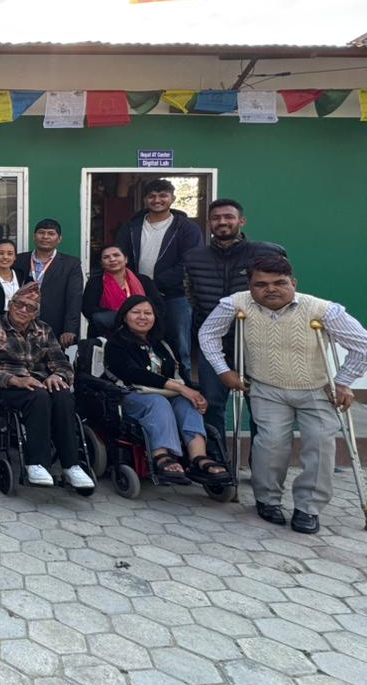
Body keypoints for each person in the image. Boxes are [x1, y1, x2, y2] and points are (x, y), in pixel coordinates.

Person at [199, 256, 367, 534]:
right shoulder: (236, 303)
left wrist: (343, 382)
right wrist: (223, 370)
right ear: (251, 286)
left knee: (320, 445)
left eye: (279, 283)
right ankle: (267, 500)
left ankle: (308, 508)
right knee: (270, 444)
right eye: (261, 284)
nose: (270, 289)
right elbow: (208, 334)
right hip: (266, 388)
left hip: (316, 389)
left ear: (293, 283)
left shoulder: (322, 309)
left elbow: (362, 345)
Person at [0, 283, 94, 489]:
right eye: (19, 304)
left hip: (42, 382)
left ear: (35, 313)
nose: (23, 310)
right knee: (39, 397)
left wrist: (57, 376)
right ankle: (36, 463)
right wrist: (14, 380)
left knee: (63, 394)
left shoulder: (44, 329)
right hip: (9, 386)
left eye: (30, 308)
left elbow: (62, 363)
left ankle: (71, 465)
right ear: (10, 305)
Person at [183, 199, 286, 442]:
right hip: (213, 344)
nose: (222, 222)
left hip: (256, 342)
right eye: (216, 218)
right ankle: (217, 464)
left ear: (241, 221)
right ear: (208, 223)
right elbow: (190, 297)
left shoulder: (267, 252)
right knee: (212, 404)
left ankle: (261, 465)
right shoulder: (194, 257)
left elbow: (282, 293)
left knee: (261, 407)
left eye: (228, 217)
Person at [103, 296, 227, 484]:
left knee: (188, 402)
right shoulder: (116, 343)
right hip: (132, 395)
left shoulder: (163, 344)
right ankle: (161, 455)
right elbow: (132, 373)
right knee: (159, 402)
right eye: (136, 313)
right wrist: (179, 387)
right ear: (124, 317)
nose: (142, 317)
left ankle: (198, 458)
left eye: (147, 313)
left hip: (168, 396)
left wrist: (195, 394)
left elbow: (180, 374)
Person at [115, 179, 203, 368]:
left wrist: (154, 284)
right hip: (137, 295)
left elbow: (190, 263)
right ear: (145, 199)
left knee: (180, 346)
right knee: (136, 344)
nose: (157, 200)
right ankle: (145, 385)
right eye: (152, 196)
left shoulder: (187, 228)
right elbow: (120, 257)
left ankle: (185, 389)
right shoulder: (131, 227)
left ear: (172, 198)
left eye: (163, 195)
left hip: (175, 296)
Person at [14, 219, 83, 346]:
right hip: (20, 323)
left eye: (51, 233)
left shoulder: (71, 264)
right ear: (34, 237)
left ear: (59, 239)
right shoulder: (18, 260)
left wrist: (70, 329)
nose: (45, 237)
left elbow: (74, 298)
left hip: (53, 326)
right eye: (41, 232)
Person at [82, 245, 164, 335]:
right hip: (106, 333)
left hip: (143, 332)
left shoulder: (143, 280)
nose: (112, 259)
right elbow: (88, 310)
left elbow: (158, 306)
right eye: (106, 257)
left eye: (116, 255)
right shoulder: (95, 282)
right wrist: (123, 318)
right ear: (101, 263)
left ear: (126, 259)